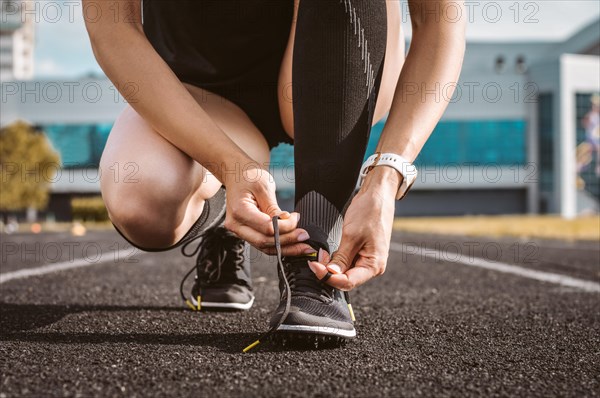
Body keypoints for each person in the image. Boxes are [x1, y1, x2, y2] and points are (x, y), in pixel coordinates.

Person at [84, 0, 466, 345]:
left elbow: (440, 22)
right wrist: (230, 167)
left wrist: (385, 177)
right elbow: (113, 29)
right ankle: (225, 221)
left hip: (342, 61)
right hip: (203, 89)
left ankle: (317, 253)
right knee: (144, 198)